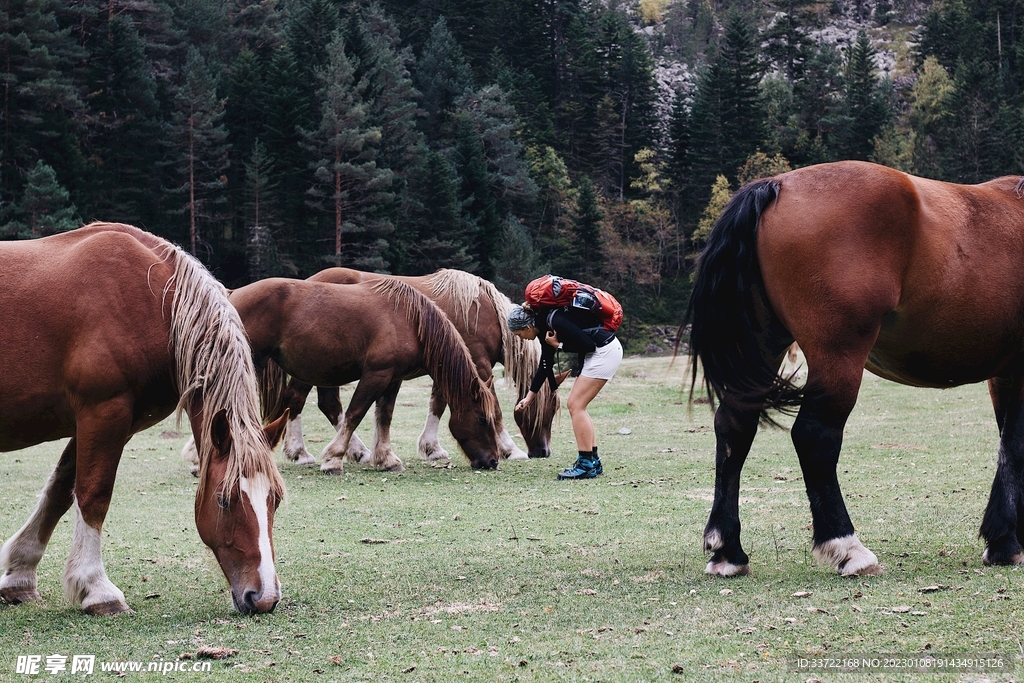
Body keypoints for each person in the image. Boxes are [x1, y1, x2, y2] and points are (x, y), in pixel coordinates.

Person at [508, 300, 623, 480]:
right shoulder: (543, 327)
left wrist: (558, 345)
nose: (520, 338)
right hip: (600, 353)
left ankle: (586, 465)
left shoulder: (555, 321)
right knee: (578, 406)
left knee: (575, 405)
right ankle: (593, 461)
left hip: (603, 352)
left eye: (518, 334)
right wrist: (529, 397)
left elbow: (588, 345)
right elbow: (545, 365)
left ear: (527, 326)